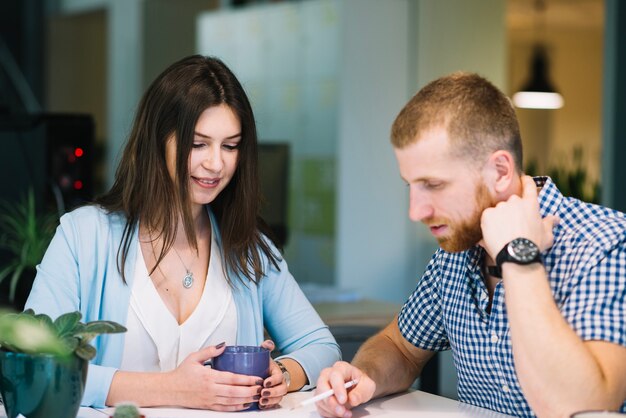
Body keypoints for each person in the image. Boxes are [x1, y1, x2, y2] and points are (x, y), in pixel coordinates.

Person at [25, 55, 340, 411]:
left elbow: (322, 347)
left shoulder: (248, 247)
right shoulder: (84, 236)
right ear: (158, 140)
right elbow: (33, 365)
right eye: (198, 143)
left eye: (230, 146)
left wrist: (281, 374)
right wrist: (171, 389)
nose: (216, 163)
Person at [315, 72, 626, 418]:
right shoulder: (456, 250)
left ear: (501, 171)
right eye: (411, 186)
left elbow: (585, 407)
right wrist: (366, 376)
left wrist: (518, 255)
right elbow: (400, 347)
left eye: (433, 185)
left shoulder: (603, 242)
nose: (416, 211)